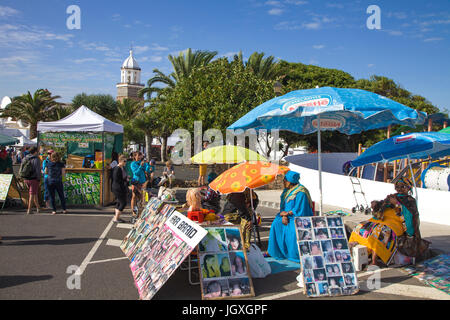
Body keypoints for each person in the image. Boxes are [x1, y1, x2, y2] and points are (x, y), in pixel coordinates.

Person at [349, 178, 429, 266]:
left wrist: (397, 204)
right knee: (360, 227)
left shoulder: (410, 201)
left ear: (408, 188)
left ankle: (374, 261)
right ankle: (352, 251)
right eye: (397, 186)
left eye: (402, 186)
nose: (399, 189)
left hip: (395, 223)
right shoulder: (392, 196)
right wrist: (376, 204)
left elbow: (410, 217)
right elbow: (380, 207)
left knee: (379, 232)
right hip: (382, 220)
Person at [268, 170, 313, 262]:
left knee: (292, 230)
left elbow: (300, 210)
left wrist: (287, 215)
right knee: (276, 224)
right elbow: (283, 207)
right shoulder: (286, 191)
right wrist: (283, 215)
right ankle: (276, 252)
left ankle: (293, 255)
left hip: (297, 217)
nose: (284, 182)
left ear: (290, 181)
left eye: (285, 181)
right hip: (286, 215)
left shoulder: (301, 192)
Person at [21, 146, 41, 214]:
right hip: (33, 178)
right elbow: (38, 170)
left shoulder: (25, 158)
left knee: (34, 193)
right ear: (35, 152)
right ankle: (29, 209)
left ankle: (38, 207)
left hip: (26, 177)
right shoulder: (36, 159)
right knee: (32, 194)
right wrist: (39, 178)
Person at [111, 155, 129, 223]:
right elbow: (116, 179)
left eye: (126, 161)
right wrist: (125, 179)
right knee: (123, 203)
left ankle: (116, 217)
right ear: (120, 161)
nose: (125, 162)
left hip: (121, 187)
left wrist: (126, 178)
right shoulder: (117, 168)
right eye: (124, 161)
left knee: (119, 202)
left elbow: (122, 177)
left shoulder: (122, 168)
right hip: (118, 187)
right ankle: (116, 218)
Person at [130, 151, 147, 217]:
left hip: (143, 182)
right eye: (138, 155)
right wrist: (140, 166)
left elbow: (146, 170)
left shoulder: (142, 163)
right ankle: (133, 212)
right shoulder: (133, 164)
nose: (140, 157)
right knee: (134, 196)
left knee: (142, 197)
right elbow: (136, 173)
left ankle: (141, 212)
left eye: (141, 155)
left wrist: (147, 166)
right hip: (136, 182)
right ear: (135, 156)